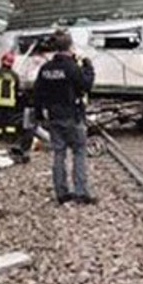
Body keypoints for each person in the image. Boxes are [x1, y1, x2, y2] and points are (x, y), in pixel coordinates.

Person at [33, 32, 97, 204]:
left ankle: (61, 192)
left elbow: (37, 94)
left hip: (54, 117)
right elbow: (86, 85)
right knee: (79, 152)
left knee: (58, 153)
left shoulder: (45, 69)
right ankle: (81, 192)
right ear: (70, 47)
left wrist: (39, 115)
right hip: (72, 115)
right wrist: (88, 67)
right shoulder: (71, 67)